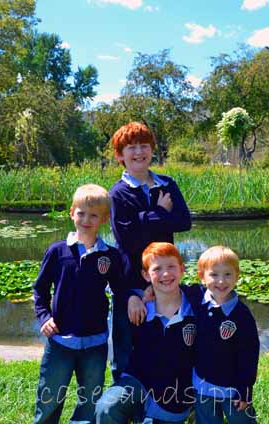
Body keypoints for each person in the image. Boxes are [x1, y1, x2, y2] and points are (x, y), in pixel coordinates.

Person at [32, 184, 123, 424]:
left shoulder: (110, 256)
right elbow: (40, 289)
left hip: (95, 341)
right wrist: (44, 317)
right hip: (61, 339)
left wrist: (139, 296)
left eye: (94, 215)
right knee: (49, 395)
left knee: (90, 398)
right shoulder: (57, 251)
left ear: (104, 219)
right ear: (72, 213)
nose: (86, 219)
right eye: (81, 213)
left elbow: (120, 289)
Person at [108, 121, 192, 381]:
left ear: (152, 150)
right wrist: (159, 212)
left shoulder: (167, 184)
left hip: (163, 279)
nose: (138, 152)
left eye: (144, 146)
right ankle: (124, 404)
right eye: (131, 147)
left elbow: (184, 222)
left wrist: (145, 220)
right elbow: (128, 239)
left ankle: (166, 402)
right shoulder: (117, 194)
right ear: (120, 155)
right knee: (126, 346)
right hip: (130, 282)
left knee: (165, 344)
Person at [95, 242, 196, 424]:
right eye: (157, 269)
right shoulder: (140, 310)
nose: (165, 274)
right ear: (146, 275)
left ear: (182, 269)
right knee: (107, 407)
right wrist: (130, 297)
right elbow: (116, 290)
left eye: (171, 267)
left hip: (177, 391)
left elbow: (219, 289)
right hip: (140, 380)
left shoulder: (196, 307)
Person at [185, 246, 260, 424]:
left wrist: (245, 389)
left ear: (237, 276)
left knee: (242, 420)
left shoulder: (241, 315)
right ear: (201, 276)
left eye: (228, 274)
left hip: (233, 388)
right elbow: (174, 289)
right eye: (214, 275)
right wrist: (148, 292)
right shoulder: (197, 299)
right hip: (202, 384)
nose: (221, 281)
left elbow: (249, 354)